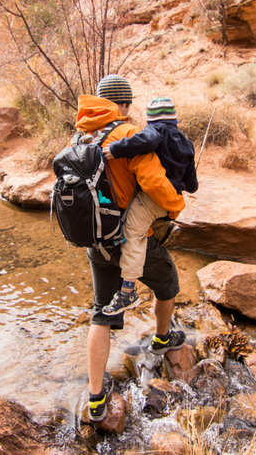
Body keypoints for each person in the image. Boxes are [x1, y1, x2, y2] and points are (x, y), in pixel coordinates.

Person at [78, 74, 187, 423]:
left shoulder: (81, 136)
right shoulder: (127, 135)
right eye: (128, 103)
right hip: (130, 239)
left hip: (96, 241)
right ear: (121, 104)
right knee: (167, 282)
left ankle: (96, 399)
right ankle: (162, 339)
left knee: (101, 312)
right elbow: (154, 182)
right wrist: (175, 207)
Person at [100, 96, 198, 316]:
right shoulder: (186, 143)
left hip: (153, 196)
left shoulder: (156, 132)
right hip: (168, 199)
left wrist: (116, 149)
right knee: (147, 220)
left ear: (151, 121)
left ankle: (128, 291)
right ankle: (165, 228)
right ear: (175, 119)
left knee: (132, 232)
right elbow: (192, 185)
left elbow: (144, 141)